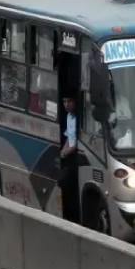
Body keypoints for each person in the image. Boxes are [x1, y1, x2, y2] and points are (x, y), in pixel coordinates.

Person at [59, 95, 80, 223]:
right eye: (64, 101)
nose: (66, 105)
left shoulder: (78, 118)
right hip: (68, 154)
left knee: (66, 181)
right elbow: (69, 137)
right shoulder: (69, 116)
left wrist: (67, 151)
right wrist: (63, 150)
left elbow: (77, 142)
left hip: (76, 155)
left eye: (69, 101)